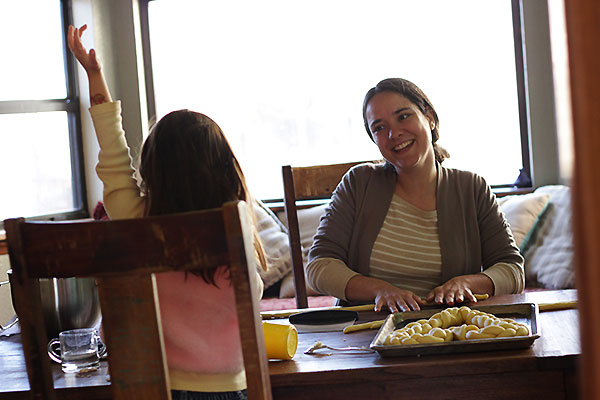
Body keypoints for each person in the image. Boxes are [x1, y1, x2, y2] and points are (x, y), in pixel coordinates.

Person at [68, 25, 266, 400]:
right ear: (225, 168)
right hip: (228, 389)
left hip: (156, 387)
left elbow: (113, 154)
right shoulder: (233, 223)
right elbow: (253, 293)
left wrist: (94, 75)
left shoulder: (135, 219)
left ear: (152, 170)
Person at [306, 78, 524, 313]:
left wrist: (466, 283)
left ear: (429, 117)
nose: (394, 133)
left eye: (403, 116)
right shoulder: (358, 183)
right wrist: (380, 290)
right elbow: (320, 266)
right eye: (379, 127)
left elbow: (512, 270)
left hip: (451, 330)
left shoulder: (472, 188)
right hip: (367, 334)